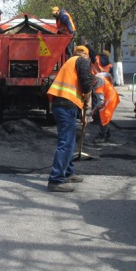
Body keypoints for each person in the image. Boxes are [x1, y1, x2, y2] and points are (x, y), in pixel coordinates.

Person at [46, 45, 93, 192]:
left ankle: (68, 171)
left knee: (70, 141)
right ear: (87, 55)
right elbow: (86, 85)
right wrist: (88, 105)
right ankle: (56, 180)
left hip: (63, 105)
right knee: (66, 142)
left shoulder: (70, 61)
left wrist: (82, 113)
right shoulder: (82, 61)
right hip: (66, 106)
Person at [90, 71, 120, 144]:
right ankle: (106, 134)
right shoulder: (99, 75)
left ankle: (103, 136)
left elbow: (101, 102)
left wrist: (93, 111)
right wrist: (111, 83)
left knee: (103, 116)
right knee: (103, 116)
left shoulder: (98, 89)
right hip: (112, 95)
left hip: (109, 100)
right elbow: (108, 74)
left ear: (95, 81)